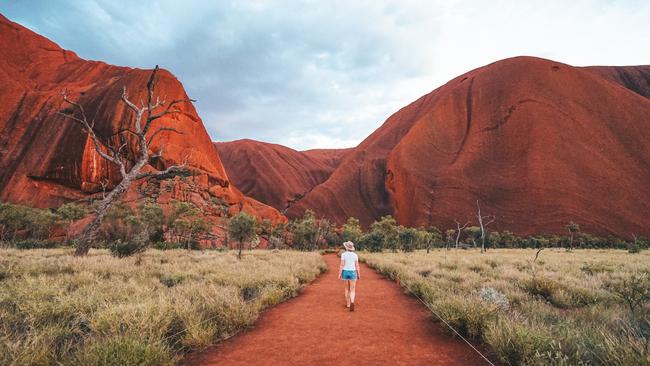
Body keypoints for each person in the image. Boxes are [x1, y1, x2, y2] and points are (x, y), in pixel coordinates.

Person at [338, 241, 360, 311]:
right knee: (352, 289)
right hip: (353, 272)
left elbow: (342, 265)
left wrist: (339, 273)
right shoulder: (355, 255)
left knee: (346, 289)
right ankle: (352, 301)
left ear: (346, 247)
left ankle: (348, 304)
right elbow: (357, 265)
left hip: (345, 272)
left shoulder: (343, 254)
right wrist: (358, 274)